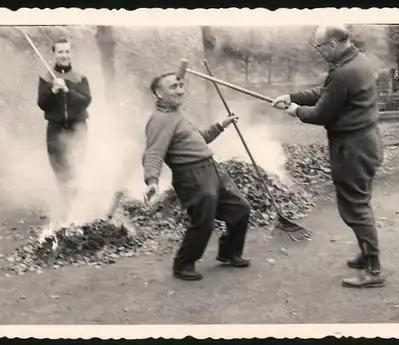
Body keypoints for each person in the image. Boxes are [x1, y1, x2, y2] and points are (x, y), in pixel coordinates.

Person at [272, 25, 385, 288]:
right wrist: (292, 96)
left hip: (352, 147)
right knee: (360, 202)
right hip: (366, 141)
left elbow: (322, 113)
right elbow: (327, 94)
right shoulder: (359, 60)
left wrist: (297, 111)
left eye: (319, 47)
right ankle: (367, 254)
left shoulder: (345, 72)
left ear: (332, 44)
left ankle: (374, 270)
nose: (319, 52)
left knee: (355, 208)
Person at [142, 72, 252, 281]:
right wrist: (152, 181)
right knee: (204, 221)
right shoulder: (160, 120)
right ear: (159, 92)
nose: (180, 90)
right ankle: (183, 264)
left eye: (181, 85)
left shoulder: (177, 113)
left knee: (240, 208)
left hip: (212, 169)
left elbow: (198, 139)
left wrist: (221, 125)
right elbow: (153, 153)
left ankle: (229, 253)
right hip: (191, 175)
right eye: (173, 87)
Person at [37, 37, 92, 224]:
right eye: (60, 51)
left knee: (76, 167)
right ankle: (65, 211)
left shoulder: (79, 77)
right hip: (55, 128)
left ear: (71, 53)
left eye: (67, 51)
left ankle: (76, 211)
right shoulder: (46, 77)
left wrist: (67, 89)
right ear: (54, 54)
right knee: (60, 169)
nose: (64, 55)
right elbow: (42, 104)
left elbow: (85, 101)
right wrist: (53, 90)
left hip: (77, 127)